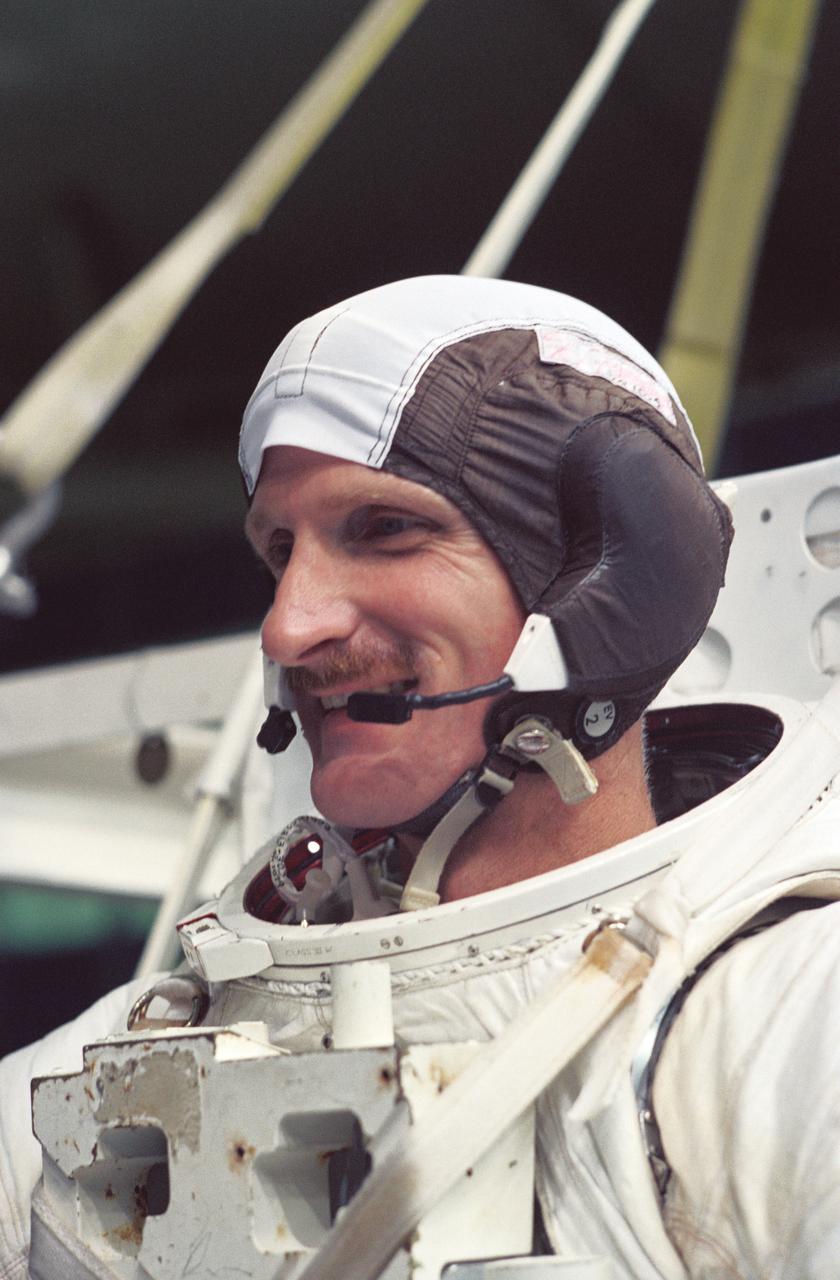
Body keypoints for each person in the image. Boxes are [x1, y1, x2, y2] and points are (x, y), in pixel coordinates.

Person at [3, 275, 840, 1280]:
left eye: (386, 528)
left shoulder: (785, 1022)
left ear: (613, 578)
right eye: (281, 549)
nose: (286, 623)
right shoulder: (128, 1060)